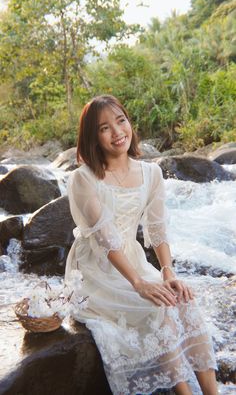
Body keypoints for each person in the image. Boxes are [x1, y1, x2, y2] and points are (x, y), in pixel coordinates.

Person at [65, 95, 218, 395]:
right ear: (92, 138)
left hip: (133, 259)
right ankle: (183, 392)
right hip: (96, 268)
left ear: (129, 122)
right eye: (104, 128)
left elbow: (157, 228)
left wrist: (167, 272)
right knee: (157, 309)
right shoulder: (83, 179)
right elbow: (104, 238)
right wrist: (138, 283)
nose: (117, 132)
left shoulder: (151, 174)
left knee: (183, 300)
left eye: (121, 121)